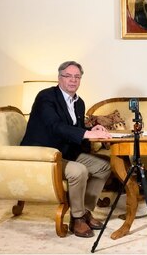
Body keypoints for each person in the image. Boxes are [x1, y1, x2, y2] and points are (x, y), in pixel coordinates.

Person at [20, 61, 112, 238]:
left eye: (77, 77)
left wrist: (91, 131)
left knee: (104, 166)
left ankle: (84, 211)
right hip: (43, 154)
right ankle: (77, 219)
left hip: (65, 153)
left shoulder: (79, 102)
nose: (73, 80)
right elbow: (55, 126)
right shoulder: (46, 97)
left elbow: (74, 129)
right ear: (59, 78)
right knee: (79, 170)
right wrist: (86, 134)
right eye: (68, 76)